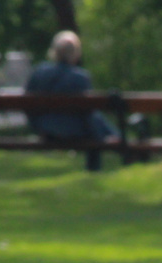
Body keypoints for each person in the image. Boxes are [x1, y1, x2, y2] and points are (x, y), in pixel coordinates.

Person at [24, 31, 116, 171]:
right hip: (74, 131)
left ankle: (117, 139)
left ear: (54, 51)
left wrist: (37, 125)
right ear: (75, 53)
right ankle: (117, 146)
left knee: (95, 119)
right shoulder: (80, 77)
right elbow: (87, 112)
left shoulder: (39, 73)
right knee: (94, 120)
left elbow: (27, 104)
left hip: (46, 129)